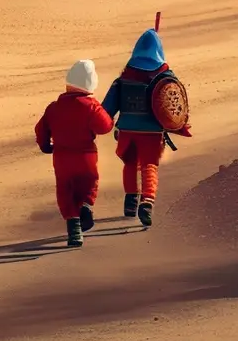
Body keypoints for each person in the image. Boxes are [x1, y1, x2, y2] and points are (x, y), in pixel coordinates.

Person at [102, 29, 191, 227]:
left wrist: (98, 124)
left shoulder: (124, 77)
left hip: (127, 130)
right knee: (149, 165)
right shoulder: (165, 75)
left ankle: (130, 202)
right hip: (152, 132)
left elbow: (107, 109)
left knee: (130, 164)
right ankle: (147, 203)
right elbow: (174, 102)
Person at [35, 59, 114, 248]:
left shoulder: (53, 108)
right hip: (86, 155)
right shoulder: (91, 106)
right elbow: (105, 127)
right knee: (89, 183)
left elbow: (41, 129)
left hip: (62, 157)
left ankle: (73, 226)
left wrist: (45, 146)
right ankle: (86, 206)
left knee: (65, 190)